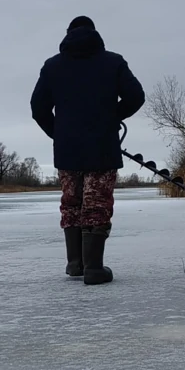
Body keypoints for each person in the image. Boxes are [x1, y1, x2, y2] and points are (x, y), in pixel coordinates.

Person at [30, 16, 145, 285]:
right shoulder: (113, 62)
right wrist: (112, 117)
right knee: (96, 203)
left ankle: (75, 263)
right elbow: (136, 96)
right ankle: (93, 267)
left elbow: (38, 109)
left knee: (72, 203)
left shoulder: (52, 66)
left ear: (68, 34)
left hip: (68, 148)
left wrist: (59, 132)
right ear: (95, 34)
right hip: (102, 145)